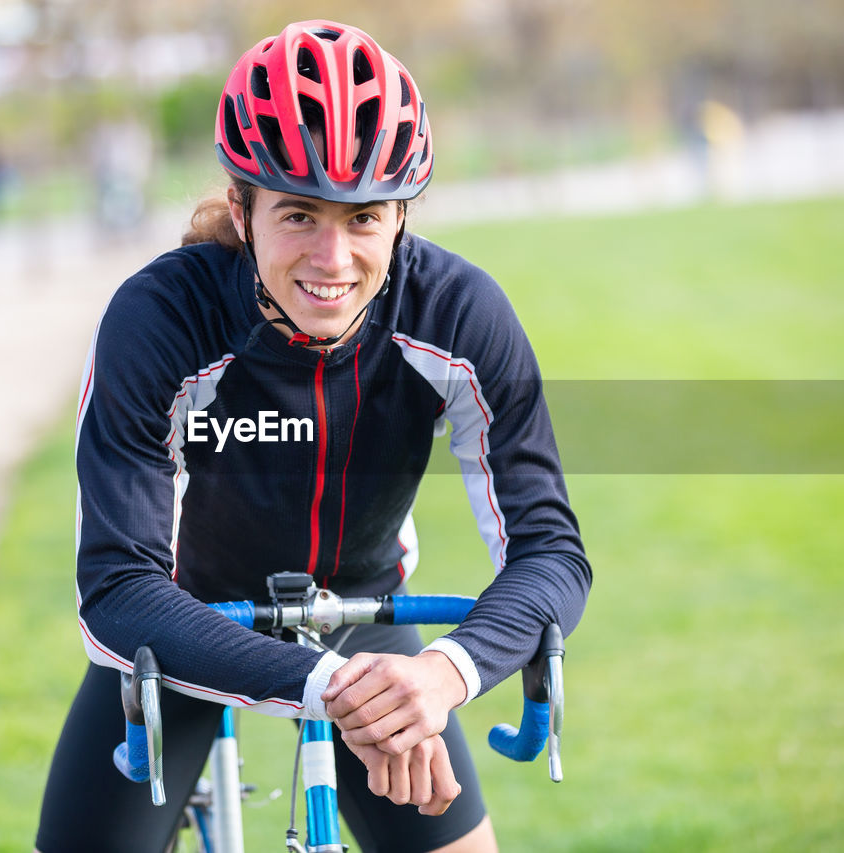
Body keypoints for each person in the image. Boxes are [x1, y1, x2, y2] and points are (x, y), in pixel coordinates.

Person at [35, 19, 591, 853]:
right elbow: (116, 588)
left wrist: (439, 675)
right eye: (299, 215)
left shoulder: (459, 315)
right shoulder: (160, 320)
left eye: (364, 217)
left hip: (362, 612)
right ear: (241, 207)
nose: (332, 257)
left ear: (401, 217)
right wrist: (332, 688)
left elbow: (551, 551)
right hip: (181, 621)